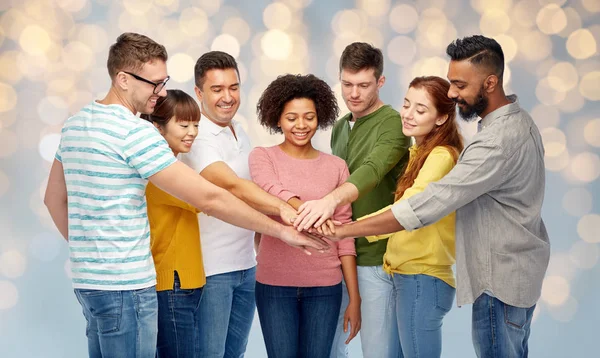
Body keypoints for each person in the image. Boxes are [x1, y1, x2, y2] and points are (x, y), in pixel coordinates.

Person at [43, 32, 327, 358]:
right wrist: (282, 229)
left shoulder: (75, 125)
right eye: (154, 83)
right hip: (129, 286)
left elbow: (53, 199)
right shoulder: (136, 133)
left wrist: (93, 257)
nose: (160, 92)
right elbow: (211, 197)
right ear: (122, 79)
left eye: (163, 81)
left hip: (89, 283)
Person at [326, 35, 551, 358]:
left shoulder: (492, 143)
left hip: (495, 281)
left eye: (459, 85)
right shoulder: (513, 126)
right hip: (506, 276)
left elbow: (422, 206)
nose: (452, 93)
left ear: (490, 82)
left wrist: (344, 229)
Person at [179, 51, 305, 358]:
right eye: (217, 89)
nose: (227, 97)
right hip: (212, 272)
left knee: (235, 354)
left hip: (246, 267)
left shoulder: (240, 130)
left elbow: (258, 186)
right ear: (199, 93)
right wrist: (286, 210)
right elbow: (234, 186)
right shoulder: (196, 137)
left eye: (233, 87)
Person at [292, 42, 410, 358]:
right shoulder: (341, 126)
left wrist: (328, 201)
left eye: (363, 85)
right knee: (329, 349)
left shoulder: (395, 124)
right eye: (347, 84)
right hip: (339, 258)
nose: (353, 93)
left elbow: (371, 172)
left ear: (380, 82)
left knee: (377, 351)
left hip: (377, 259)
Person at [248, 73, 360, 358]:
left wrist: (354, 297)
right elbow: (271, 190)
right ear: (277, 119)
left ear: (319, 116)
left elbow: (345, 234)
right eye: (291, 118)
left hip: (325, 286)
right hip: (274, 286)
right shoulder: (263, 157)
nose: (301, 125)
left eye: (309, 117)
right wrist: (312, 212)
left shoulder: (336, 166)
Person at [357, 76, 463, 357]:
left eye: (421, 109)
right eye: (406, 105)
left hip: (422, 279)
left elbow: (407, 208)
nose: (408, 114)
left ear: (441, 118)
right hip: (407, 279)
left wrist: (349, 229)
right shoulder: (418, 153)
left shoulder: (441, 156)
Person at [140, 89, 204, 358]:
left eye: (196, 125)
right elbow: (209, 201)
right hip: (172, 285)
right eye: (183, 124)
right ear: (158, 127)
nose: (191, 132)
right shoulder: (163, 173)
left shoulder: (172, 167)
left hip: (184, 282)